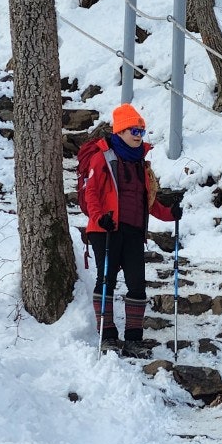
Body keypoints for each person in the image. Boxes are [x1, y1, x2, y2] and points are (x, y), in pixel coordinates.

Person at [83, 103, 182, 357]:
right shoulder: (102, 158)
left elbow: (147, 200)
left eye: (141, 131)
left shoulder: (141, 164)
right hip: (105, 229)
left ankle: (134, 339)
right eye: (134, 131)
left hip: (134, 231)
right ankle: (108, 335)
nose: (139, 136)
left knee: (137, 283)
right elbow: (91, 192)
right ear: (120, 132)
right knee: (106, 280)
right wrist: (98, 217)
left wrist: (171, 214)